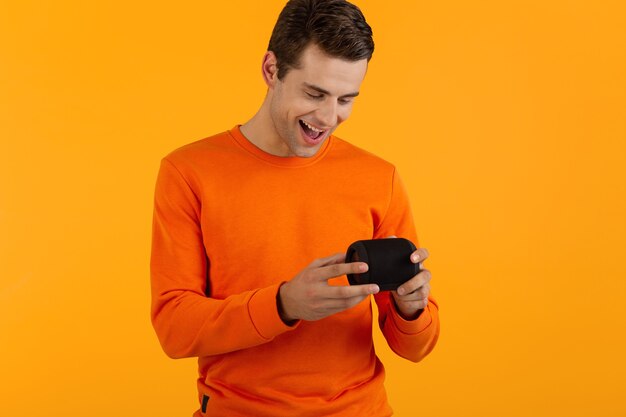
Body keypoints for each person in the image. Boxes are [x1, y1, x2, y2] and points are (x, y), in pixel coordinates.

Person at [150, 0, 440, 415]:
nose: (328, 116)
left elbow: (416, 349)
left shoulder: (379, 177)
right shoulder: (188, 171)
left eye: (346, 99)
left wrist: (411, 310)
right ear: (271, 70)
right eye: (315, 93)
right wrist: (284, 304)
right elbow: (174, 330)